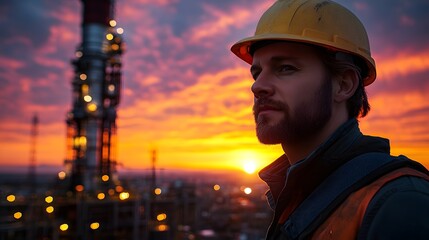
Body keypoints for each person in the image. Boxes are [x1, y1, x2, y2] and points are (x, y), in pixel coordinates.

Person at [230, 0, 429, 239]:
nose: (257, 86)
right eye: (257, 72)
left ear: (343, 84)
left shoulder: (399, 203)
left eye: (285, 68)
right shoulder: (299, 195)